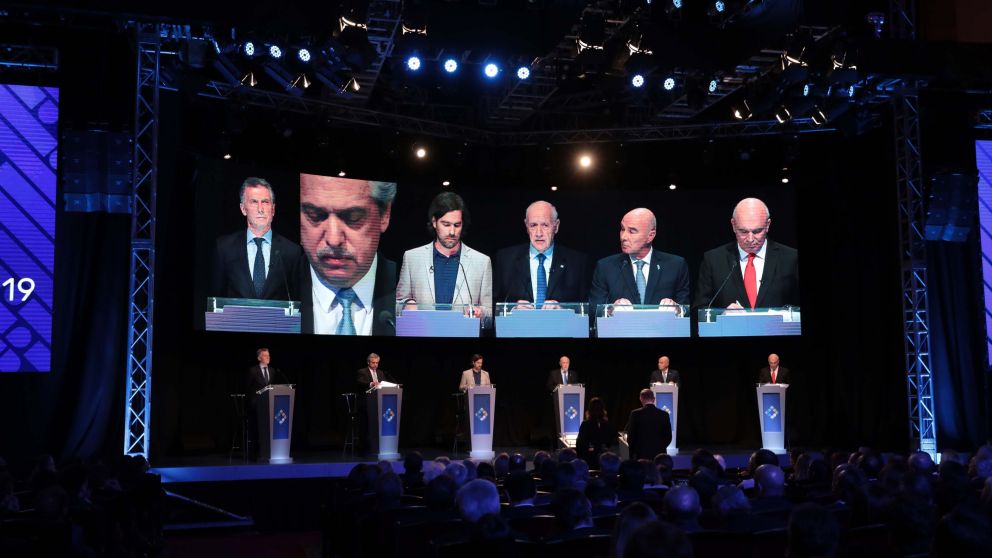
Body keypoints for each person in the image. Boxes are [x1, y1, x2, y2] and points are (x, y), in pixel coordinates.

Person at [298, 173, 398, 335]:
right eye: (314, 215)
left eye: (353, 217)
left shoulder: (407, 289)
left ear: (385, 215)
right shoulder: (278, 287)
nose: (333, 239)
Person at [396, 192, 493, 322]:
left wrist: (480, 313)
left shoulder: (482, 262)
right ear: (434, 222)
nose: (452, 232)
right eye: (446, 224)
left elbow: (490, 314)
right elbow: (397, 305)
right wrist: (407, 305)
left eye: (457, 225)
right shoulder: (412, 258)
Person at [210, 177, 306, 301]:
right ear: (243, 209)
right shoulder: (224, 248)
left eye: (265, 202)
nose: (260, 209)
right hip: (236, 320)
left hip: (276, 321)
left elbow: (298, 301)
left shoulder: (292, 252)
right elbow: (215, 299)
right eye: (254, 202)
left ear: (273, 209)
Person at [694, 197, 799, 309]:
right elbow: (699, 309)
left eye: (757, 231)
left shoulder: (791, 258)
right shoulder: (713, 260)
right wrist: (722, 315)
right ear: (733, 225)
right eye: (743, 231)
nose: (750, 239)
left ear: (768, 225)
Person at [493, 200, 590, 307]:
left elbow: (586, 310)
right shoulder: (506, 259)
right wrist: (512, 310)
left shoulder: (577, 262)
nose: (539, 233)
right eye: (533, 225)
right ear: (526, 226)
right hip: (520, 324)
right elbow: (494, 307)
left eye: (545, 225)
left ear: (556, 226)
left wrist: (564, 310)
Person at [588, 208, 690, 309]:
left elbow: (686, 311)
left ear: (650, 236)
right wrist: (610, 309)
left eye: (632, 231)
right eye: (622, 229)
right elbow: (593, 311)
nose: (623, 237)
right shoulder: (606, 267)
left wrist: (677, 308)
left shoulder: (676, 266)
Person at [245, 348, 282, 459]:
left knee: (268, 430)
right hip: (256, 406)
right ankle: (255, 454)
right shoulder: (252, 371)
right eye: (265, 355)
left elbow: (270, 388)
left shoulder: (272, 371)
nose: (268, 357)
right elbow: (247, 388)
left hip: (269, 405)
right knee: (257, 430)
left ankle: (267, 452)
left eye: (268, 355)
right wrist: (253, 401)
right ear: (259, 358)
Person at [625, 388, 673, 461]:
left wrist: (634, 451)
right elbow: (668, 436)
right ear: (654, 399)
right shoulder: (664, 414)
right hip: (659, 455)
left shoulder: (635, 414)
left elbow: (631, 436)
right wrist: (660, 447)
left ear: (641, 399)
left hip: (641, 455)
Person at [575, 397, 617, 469]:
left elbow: (580, 443)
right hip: (600, 459)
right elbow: (613, 442)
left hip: (594, 459)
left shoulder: (586, 424)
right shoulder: (607, 424)